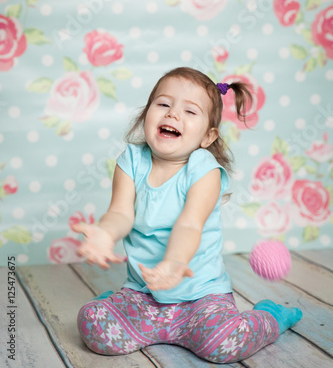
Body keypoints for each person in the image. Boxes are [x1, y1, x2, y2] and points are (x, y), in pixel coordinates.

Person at [73, 67, 302, 363]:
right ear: (146, 116)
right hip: (145, 294)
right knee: (93, 326)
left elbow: (190, 224)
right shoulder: (131, 160)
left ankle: (270, 316)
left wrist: (175, 262)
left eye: (189, 111)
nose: (172, 115)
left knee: (224, 345)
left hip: (201, 299)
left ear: (208, 136)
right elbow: (120, 212)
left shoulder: (203, 170)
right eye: (163, 104)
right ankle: (116, 305)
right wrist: (105, 233)